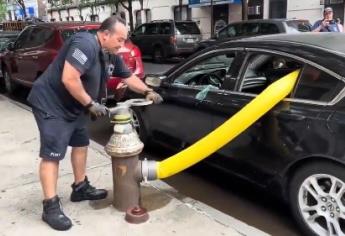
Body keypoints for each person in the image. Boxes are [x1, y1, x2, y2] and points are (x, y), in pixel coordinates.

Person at [27, 16, 162, 231]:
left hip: (75, 106)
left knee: (81, 144)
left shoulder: (110, 55)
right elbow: (69, 78)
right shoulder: (85, 43)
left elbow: (127, 77)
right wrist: (90, 104)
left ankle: (80, 188)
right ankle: (50, 206)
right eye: (120, 39)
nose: (122, 44)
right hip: (51, 105)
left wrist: (147, 90)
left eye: (125, 40)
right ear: (105, 34)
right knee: (52, 154)